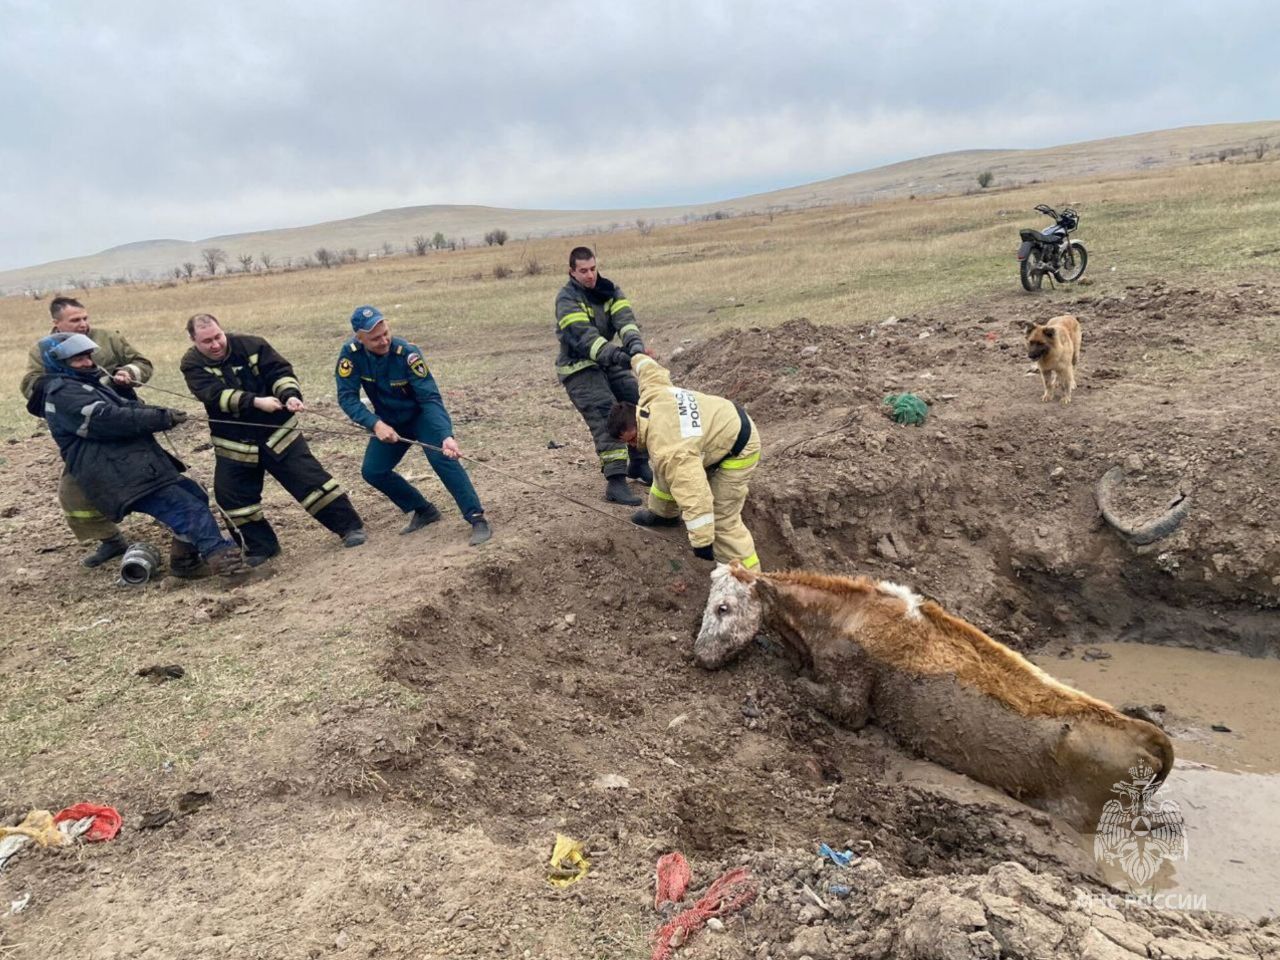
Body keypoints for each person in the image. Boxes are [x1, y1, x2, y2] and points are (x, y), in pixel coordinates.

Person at [26, 333, 247, 578]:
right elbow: (108, 419)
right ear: (57, 362)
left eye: (88, 356)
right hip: (116, 473)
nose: (88, 363)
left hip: (134, 465)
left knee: (195, 494)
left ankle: (185, 563)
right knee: (186, 509)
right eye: (78, 359)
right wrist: (159, 418)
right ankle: (229, 568)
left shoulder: (84, 384)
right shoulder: (62, 394)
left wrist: (159, 411)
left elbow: (124, 407)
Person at [181, 313, 366, 564]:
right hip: (235, 444)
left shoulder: (253, 345)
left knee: (311, 482)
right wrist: (256, 402)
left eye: (218, 337)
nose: (215, 345)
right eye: (206, 341)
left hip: (278, 433)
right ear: (193, 341)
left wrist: (289, 394)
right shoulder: (191, 363)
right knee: (232, 499)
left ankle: (349, 527)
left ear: (223, 331)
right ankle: (261, 548)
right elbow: (213, 395)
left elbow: (279, 372)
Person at [335, 306, 492, 546]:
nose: (384, 340)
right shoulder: (351, 355)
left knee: (443, 458)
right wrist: (375, 424)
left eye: (386, 333)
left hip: (421, 417)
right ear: (359, 337)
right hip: (388, 421)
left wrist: (445, 435)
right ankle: (423, 510)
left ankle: (476, 517)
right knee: (373, 471)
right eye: (375, 338)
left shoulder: (407, 353)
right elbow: (347, 397)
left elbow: (430, 398)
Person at [19, 296, 155, 567]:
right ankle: (110, 540)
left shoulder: (107, 338)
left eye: (85, 318)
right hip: (81, 432)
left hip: (124, 421)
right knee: (74, 493)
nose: (83, 324)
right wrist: (71, 389)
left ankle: (185, 531)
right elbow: (30, 385)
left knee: (157, 474)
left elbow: (143, 364)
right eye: (75, 320)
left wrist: (129, 372)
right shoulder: (44, 350)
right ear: (56, 323)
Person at [606, 354, 761, 570]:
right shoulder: (652, 397)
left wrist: (703, 541)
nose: (631, 446)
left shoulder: (668, 448)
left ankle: (750, 581)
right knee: (664, 469)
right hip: (720, 419)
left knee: (722, 519)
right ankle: (664, 514)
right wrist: (634, 356)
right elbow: (649, 370)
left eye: (631, 440)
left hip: (739, 446)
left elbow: (694, 492)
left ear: (634, 425)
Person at [553, 246, 652, 506]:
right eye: (583, 271)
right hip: (579, 366)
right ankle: (616, 482)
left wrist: (636, 348)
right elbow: (586, 340)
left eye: (593, 269)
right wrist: (621, 356)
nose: (590, 275)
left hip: (608, 362)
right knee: (606, 412)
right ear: (572, 272)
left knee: (637, 403)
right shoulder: (566, 299)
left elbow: (626, 322)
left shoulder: (610, 290)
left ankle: (639, 464)